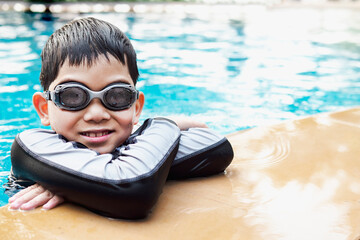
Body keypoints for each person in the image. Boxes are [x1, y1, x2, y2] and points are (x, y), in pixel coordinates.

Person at [7, 17, 233, 219]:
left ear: (136, 108)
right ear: (44, 109)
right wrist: (165, 126)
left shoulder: (131, 142)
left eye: (116, 96)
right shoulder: (31, 146)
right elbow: (131, 188)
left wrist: (83, 184)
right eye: (73, 96)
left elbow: (217, 148)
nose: (97, 115)